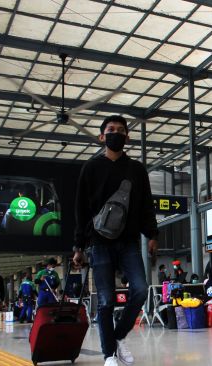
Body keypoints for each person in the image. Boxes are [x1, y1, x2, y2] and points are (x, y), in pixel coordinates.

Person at [73, 115, 159, 366]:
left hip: (129, 241)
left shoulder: (136, 169)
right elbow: (80, 209)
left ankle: (118, 336)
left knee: (141, 290)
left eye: (121, 130)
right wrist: (78, 245)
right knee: (107, 299)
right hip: (99, 243)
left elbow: (146, 205)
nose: (116, 133)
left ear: (127, 137)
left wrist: (152, 234)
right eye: (111, 130)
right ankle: (109, 354)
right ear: (102, 136)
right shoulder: (90, 168)